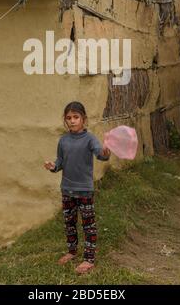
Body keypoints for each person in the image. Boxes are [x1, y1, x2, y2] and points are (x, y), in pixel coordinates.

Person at [44, 101, 111, 274]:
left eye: (76, 117)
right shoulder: (63, 140)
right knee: (69, 223)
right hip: (67, 189)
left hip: (84, 191)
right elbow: (60, 162)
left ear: (84, 119)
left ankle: (89, 258)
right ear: (65, 120)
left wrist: (105, 153)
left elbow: (99, 154)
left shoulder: (90, 139)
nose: (72, 121)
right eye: (69, 118)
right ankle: (72, 251)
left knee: (88, 224)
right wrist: (53, 166)